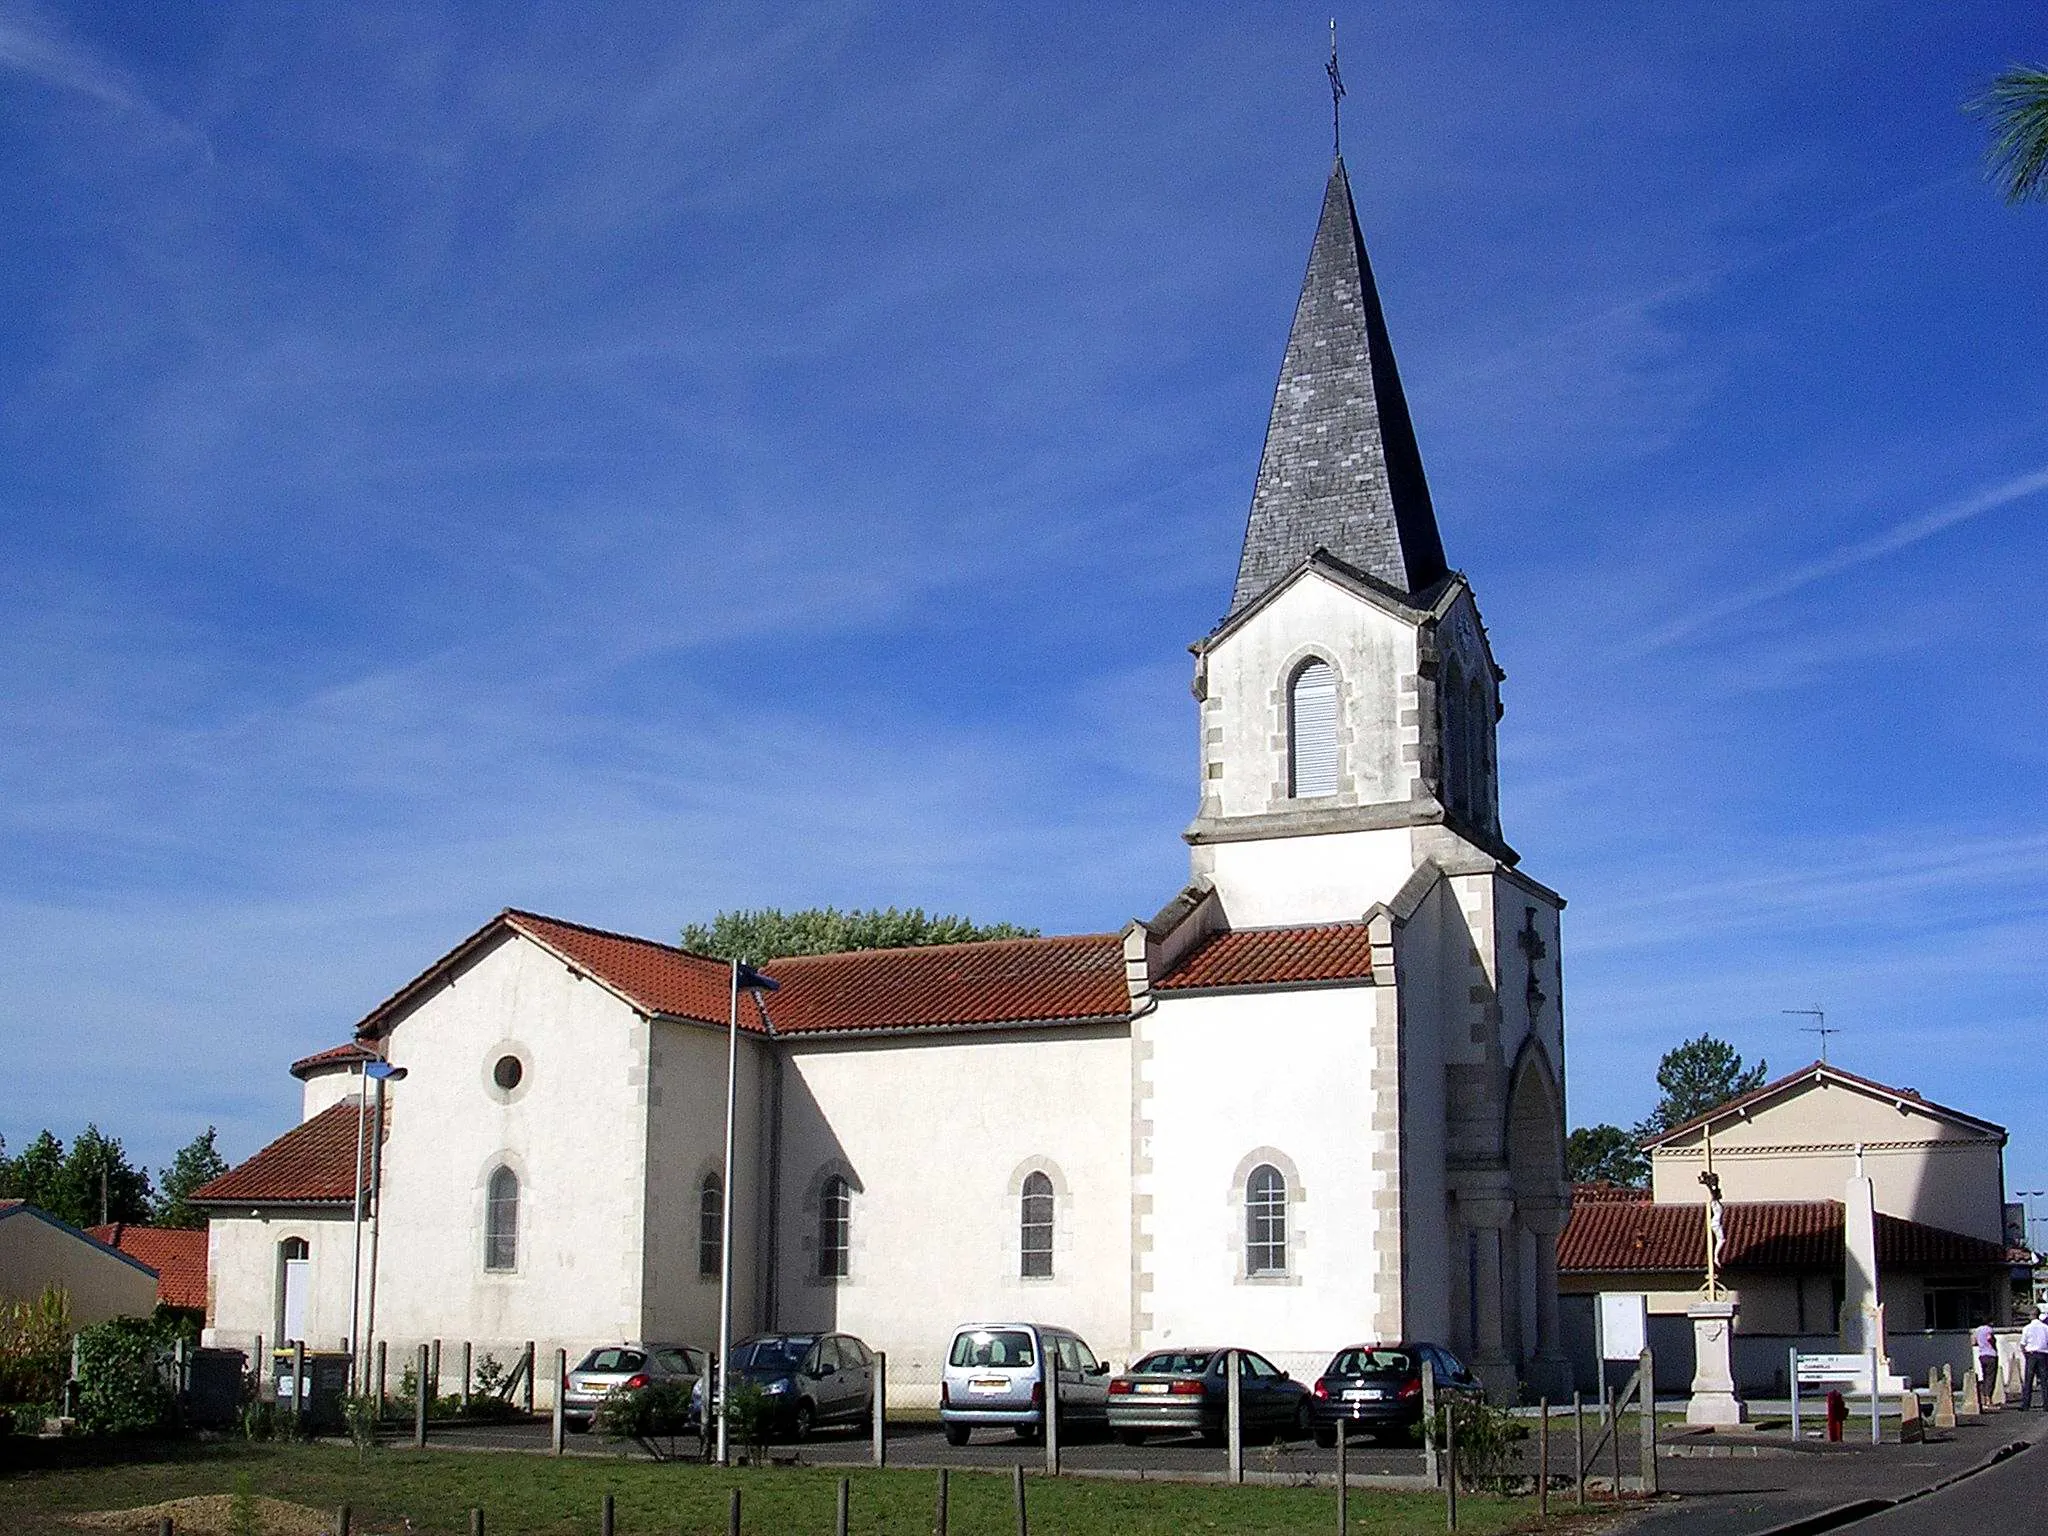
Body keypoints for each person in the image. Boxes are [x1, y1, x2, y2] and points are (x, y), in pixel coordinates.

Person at [2021, 1309, 2048, 1411]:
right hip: (2043, 1354)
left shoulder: (2027, 1328)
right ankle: (2046, 1404)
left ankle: (2026, 1404)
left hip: (2031, 1354)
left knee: (2028, 1380)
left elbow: (2023, 1344)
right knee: (2044, 1380)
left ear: (2031, 1316)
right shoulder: (2045, 1327)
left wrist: (2025, 1354)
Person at [1972, 1320, 1998, 1398]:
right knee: (1991, 1377)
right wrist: (1993, 1342)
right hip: (1991, 1354)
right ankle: (1988, 1398)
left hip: (1982, 1354)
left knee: (1984, 1376)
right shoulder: (1988, 1329)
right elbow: (1989, 1338)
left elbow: (1973, 1342)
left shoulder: (1977, 1330)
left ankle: (1984, 1396)